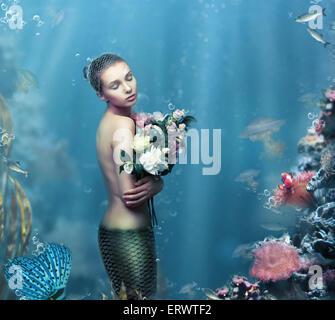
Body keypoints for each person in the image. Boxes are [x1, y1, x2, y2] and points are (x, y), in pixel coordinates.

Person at [83, 53, 164, 299]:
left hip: (116, 232)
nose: (128, 88)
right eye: (115, 85)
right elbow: (129, 194)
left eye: (129, 78)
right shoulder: (122, 126)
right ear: (101, 94)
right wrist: (157, 183)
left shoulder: (112, 120)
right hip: (128, 236)